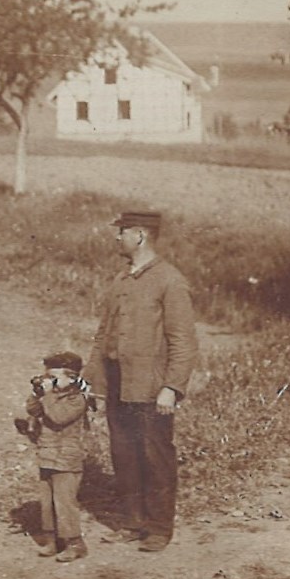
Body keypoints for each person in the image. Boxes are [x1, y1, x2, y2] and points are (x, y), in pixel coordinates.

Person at [82, 210, 199, 553]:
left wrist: (172, 387)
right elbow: (103, 335)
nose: (116, 238)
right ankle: (133, 522)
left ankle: (159, 528)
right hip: (119, 382)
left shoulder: (170, 281)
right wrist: (93, 380)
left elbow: (184, 341)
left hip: (151, 387)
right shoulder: (121, 280)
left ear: (140, 235)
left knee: (155, 455)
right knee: (124, 453)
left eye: (121, 233)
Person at [14, 351, 92, 563]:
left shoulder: (77, 399)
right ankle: (52, 539)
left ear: (72, 378)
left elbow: (59, 417)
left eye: (54, 378)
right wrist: (38, 394)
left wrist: (47, 396)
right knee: (47, 502)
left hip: (66, 458)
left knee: (64, 502)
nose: (49, 382)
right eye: (47, 377)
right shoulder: (51, 396)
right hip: (47, 455)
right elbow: (32, 409)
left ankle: (75, 543)